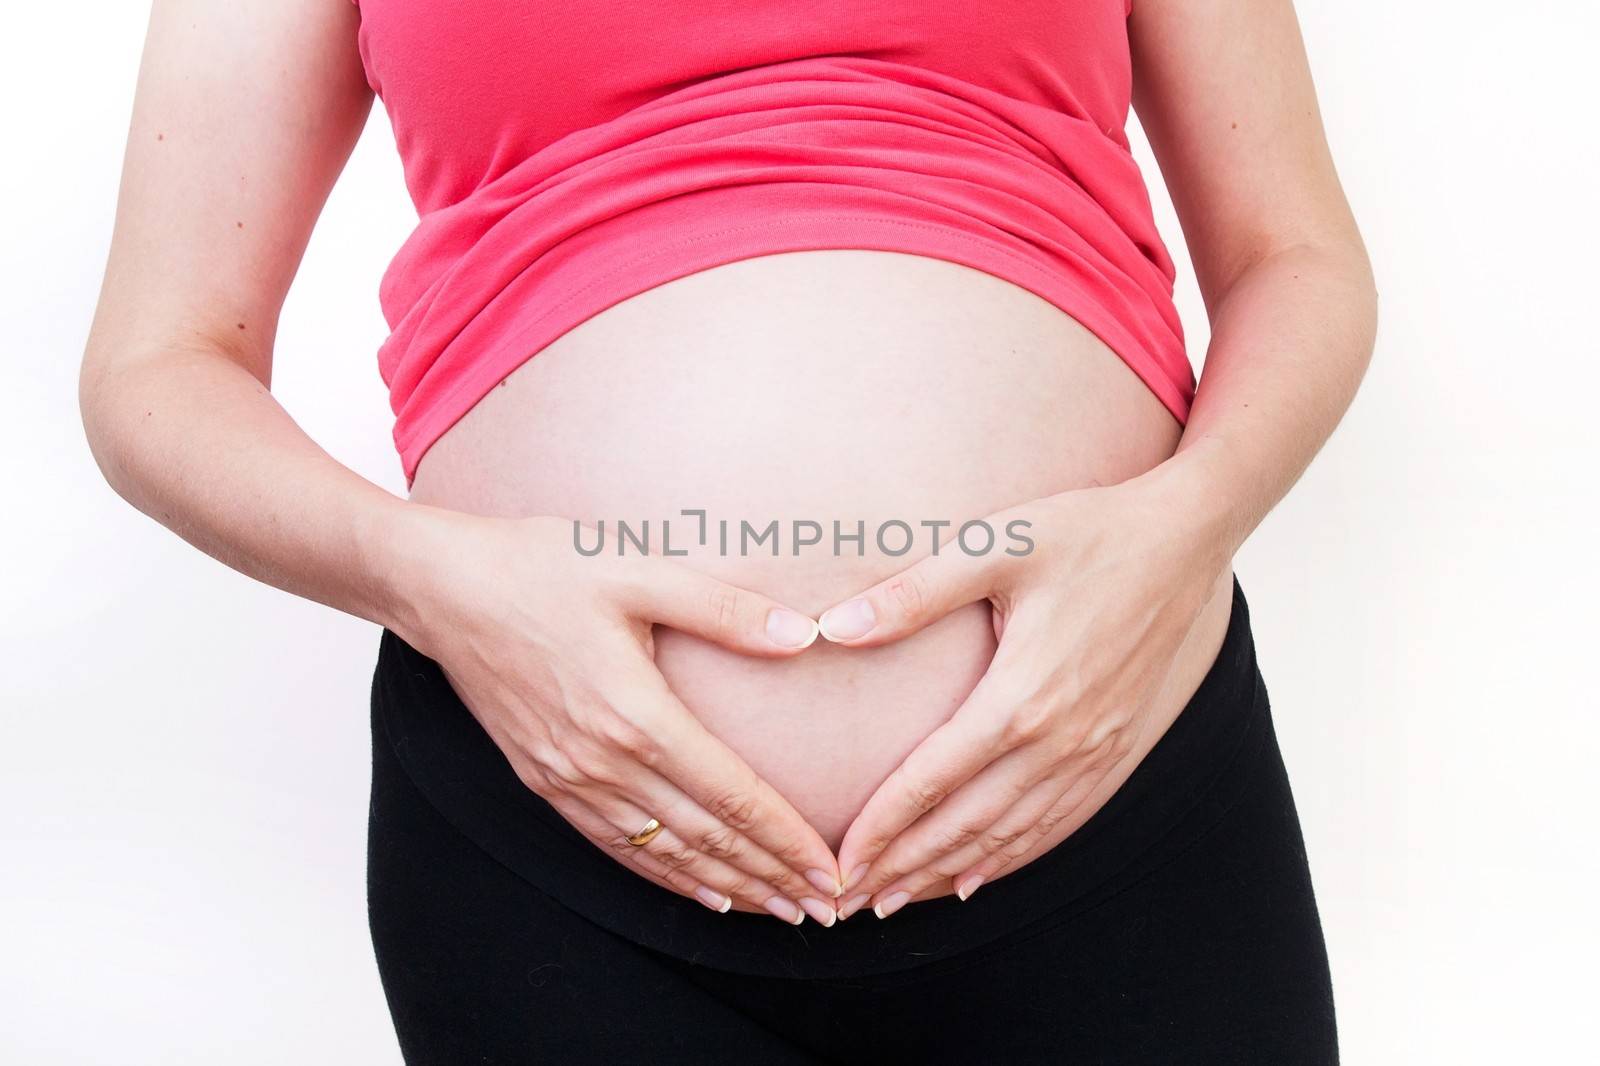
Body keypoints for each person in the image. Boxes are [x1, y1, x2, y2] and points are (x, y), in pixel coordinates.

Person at [80, 0, 1376, 1061]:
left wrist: (1183, 528)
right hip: (565, 841)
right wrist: (432, 579)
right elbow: (160, 365)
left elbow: (1293, 257)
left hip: (1107, 772)